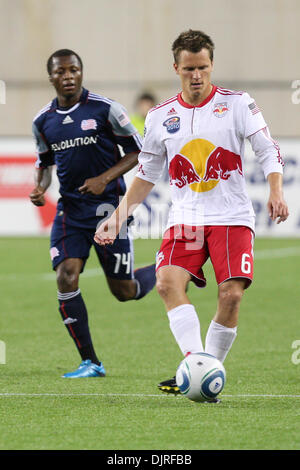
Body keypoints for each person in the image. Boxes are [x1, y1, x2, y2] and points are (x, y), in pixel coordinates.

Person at [93, 30, 289, 398]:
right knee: (167, 284)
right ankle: (199, 365)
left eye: (203, 67)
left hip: (231, 218)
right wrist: (117, 217)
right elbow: (147, 173)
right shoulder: (160, 116)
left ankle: (203, 372)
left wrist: (276, 190)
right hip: (185, 218)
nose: (196, 75)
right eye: (188, 69)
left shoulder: (238, 103)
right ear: (176, 68)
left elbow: (267, 150)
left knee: (231, 296)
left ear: (211, 65)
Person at [29, 49, 156, 378]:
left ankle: (161, 268)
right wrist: (40, 187)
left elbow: (138, 152)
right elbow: (44, 164)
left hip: (109, 210)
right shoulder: (43, 121)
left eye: (74, 70)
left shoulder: (105, 109)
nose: (68, 76)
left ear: (81, 73)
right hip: (70, 213)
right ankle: (91, 362)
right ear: (52, 78)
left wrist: (104, 179)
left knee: (124, 292)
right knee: (66, 275)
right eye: (61, 72)